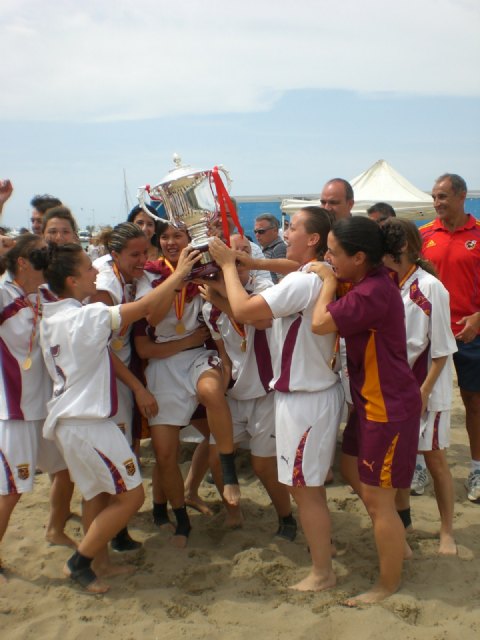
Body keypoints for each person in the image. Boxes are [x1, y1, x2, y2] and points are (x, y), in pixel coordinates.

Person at [33, 241, 202, 593]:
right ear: (72, 280)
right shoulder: (87, 315)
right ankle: (80, 563)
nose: (96, 270)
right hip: (88, 422)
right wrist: (181, 275)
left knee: (97, 494)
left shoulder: (53, 316)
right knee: (131, 496)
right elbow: (142, 309)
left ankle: (100, 562)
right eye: (88, 268)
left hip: (73, 421)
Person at [208, 207, 344, 592]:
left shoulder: (305, 282)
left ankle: (322, 572)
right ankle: (326, 550)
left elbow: (245, 309)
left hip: (305, 397)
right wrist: (249, 260)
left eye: (293, 227)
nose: (287, 231)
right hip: (307, 393)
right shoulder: (311, 273)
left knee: (306, 489)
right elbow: (286, 264)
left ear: (313, 238)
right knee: (307, 486)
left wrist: (229, 269)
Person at [310, 216, 422, 605]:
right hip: (370, 403)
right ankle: (396, 541)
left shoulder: (372, 291)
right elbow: (302, 268)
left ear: (359, 257)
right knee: (349, 467)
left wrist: (325, 281)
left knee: (379, 501)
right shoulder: (366, 279)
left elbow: (320, 323)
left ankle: (387, 584)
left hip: (387, 409)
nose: (327, 258)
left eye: (333, 253)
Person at [134, 221, 240, 547]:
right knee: (166, 454)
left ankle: (229, 471)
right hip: (162, 364)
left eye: (177, 235)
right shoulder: (150, 275)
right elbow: (152, 317)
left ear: (188, 238)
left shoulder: (204, 270)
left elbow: (228, 303)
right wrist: (177, 278)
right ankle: (180, 518)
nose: (169, 241)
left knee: (212, 392)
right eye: (164, 236)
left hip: (197, 354)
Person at [200, 234, 296, 536]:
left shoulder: (264, 288)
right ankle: (234, 513)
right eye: (229, 251)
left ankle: (286, 518)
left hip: (266, 392)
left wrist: (218, 293)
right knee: (216, 459)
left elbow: (262, 321)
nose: (235, 255)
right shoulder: (209, 308)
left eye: (243, 250)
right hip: (237, 394)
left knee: (263, 466)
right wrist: (221, 383)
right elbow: (225, 355)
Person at [383, 219, 457, 555]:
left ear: (398, 251)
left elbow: (442, 348)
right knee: (399, 460)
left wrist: (424, 391)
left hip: (428, 387)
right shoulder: (388, 284)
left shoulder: (430, 288)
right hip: (397, 388)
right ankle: (405, 523)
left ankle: (446, 531)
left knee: (435, 459)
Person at [0, 235, 70, 583]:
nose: (48, 257)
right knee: (11, 490)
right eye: (40, 253)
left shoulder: (47, 294)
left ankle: (55, 530)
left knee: (65, 470)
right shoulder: (4, 294)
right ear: (23, 262)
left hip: (48, 404)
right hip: (15, 411)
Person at [90, 223, 158, 552]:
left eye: (146, 252)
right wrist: (137, 387)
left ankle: (114, 530)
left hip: (122, 375)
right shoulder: (105, 287)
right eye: (135, 254)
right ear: (114, 254)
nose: (143, 259)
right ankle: (102, 539)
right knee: (112, 461)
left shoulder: (130, 276)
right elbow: (100, 348)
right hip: (105, 382)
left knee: (126, 452)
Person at [420, 174, 480, 503]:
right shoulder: (424, 235)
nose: (437, 203)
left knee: (474, 403)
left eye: (443, 196)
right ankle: (417, 465)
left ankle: (477, 468)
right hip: (430, 336)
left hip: (471, 334)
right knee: (422, 400)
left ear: (461, 196)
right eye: (434, 197)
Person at [253, 214, 287, 283]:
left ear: (275, 231)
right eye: (255, 231)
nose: (257, 235)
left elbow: (283, 279)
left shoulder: (279, 248)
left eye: (261, 231)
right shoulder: (265, 248)